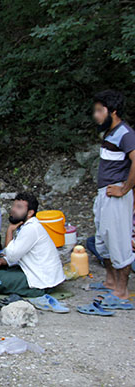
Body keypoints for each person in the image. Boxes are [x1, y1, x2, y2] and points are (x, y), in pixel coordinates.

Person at [90, 90, 135, 302]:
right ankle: (110, 281)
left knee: (118, 241)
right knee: (102, 239)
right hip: (104, 194)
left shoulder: (126, 133)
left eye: (100, 111)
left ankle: (122, 291)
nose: (96, 115)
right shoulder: (109, 132)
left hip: (115, 195)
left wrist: (124, 189)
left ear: (113, 111)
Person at [0, 193, 65, 297]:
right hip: (32, 271)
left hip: (41, 280)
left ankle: (35, 291)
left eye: (19, 207)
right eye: (14, 206)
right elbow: (17, 253)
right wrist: (3, 261)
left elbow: (12, 255)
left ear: (30, 213)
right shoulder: (26, 226)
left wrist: (9, 231)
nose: (13, 209)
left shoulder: (31, 228)